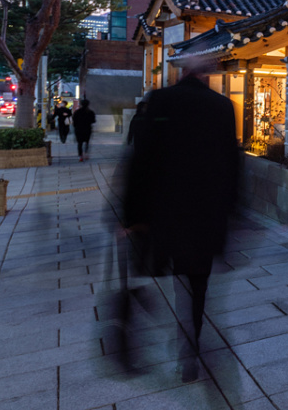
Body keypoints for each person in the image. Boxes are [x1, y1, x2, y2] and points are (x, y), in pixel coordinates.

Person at [125, 55, 238, 382]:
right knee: (198, 285)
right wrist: (229, 211)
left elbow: (140, 160)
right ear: (207, 74)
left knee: (172, 279)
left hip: (165, 210)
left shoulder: (161, 100)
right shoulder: (222, 106)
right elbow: (232, 164)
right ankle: (190, 346)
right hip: (205, 214)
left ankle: (176, 339)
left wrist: (132, 214)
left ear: (182, 71)